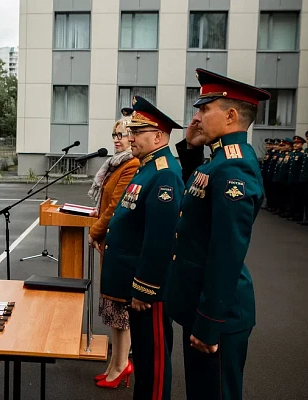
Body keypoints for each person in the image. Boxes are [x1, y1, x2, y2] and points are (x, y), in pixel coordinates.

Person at [166, 68, 270, 400]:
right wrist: (191, 147)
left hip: (217, 314)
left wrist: (209, 322)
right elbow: (196, 195)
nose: (196, 117)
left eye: (204, 109)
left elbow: (227, 252)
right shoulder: (219, 160)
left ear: (230, 115)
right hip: (200, 305)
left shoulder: (234, 166)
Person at [99, 96, 184, 398]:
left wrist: (145, 288)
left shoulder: (164, 173)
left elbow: (161, 238)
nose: (130, 136)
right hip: (135, 286)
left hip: (148, 293)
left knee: (154, 363)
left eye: (137, 131)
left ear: (158, 136)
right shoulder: (147, 167)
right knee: (145, 363)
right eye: (131, 131)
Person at [87, 112, 140, 387]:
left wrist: (95, 231)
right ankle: (115, 363)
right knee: (113, 310)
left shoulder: (131, 164)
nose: (116, 139)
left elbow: (114, 206)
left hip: (118, 243)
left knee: (120, 310)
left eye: (122, 134)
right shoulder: (115, 163)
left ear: (133, 136)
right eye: (114, 135)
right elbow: (106, 202)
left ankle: (121, 365)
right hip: (110, 241)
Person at [288, 136, 306, 221]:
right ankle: (292, 213)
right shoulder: (292, 154)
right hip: (291, 179)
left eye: (298, 143)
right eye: (294, 143)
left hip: (298, 179)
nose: (295, 145)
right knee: (291, 197)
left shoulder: (302, 154)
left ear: (302, 144)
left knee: (298, 198)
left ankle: (298, 215)